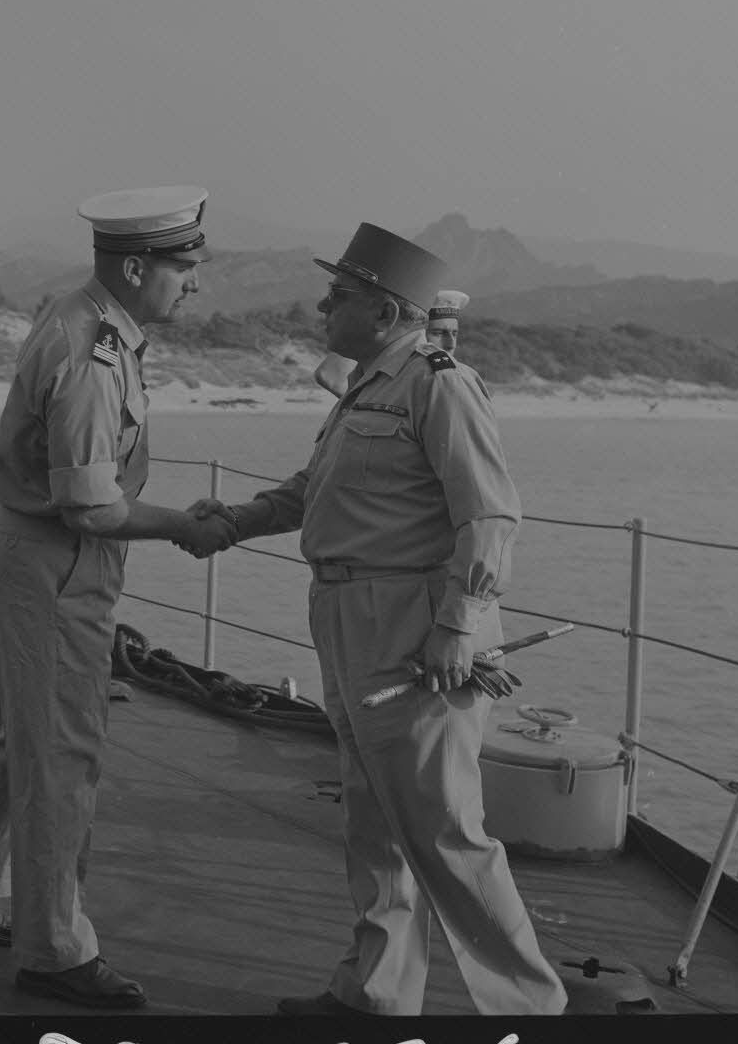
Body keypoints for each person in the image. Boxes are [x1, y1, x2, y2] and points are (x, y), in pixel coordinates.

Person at [185, 224, 566, 1017]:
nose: (322, 307)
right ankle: (377, 993)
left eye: (339, 295)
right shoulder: (366, 386)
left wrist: (457, 626)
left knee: (442, 827)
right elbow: (315, 490)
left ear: (387, 312)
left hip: (412, 622)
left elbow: (489, 516)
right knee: (374, 817)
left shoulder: (439, 385)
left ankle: (529, 1009)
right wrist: (235, 520)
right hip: (348, 615)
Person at [0, 186, 236, 1011]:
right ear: (134, 269)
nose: (193, 283)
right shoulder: (92, 352)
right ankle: (54, 951)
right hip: (57, 563)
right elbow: (90, 505)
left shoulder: (81, 316)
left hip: (34, 553)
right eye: (183, 268)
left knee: (23, 728)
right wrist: (184, 526)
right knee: (62, 752)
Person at [313, 288, 470, 398]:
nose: (451, 344)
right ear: (413, 334)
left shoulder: (451, 383)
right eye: (438, 333)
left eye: (454, 333)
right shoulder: (395, 385)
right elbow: (329, 375)